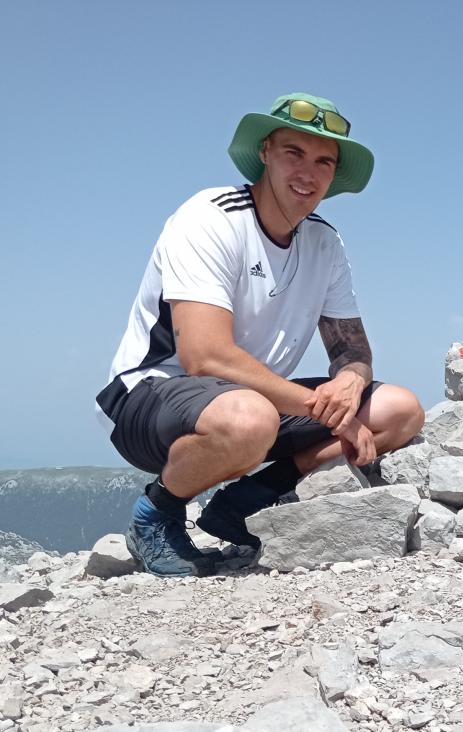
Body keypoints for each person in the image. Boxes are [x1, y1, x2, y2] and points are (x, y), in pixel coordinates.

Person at [95, 93, 425, 577]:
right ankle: (156, 515)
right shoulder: (210, 217)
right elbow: (205, 357)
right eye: (294, 153)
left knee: (399, 410)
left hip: (256, 403)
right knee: (250, 419)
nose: (308, 173)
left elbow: (351, 347)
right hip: (149, 394)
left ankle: (245, 503)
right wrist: (328, 413)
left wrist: (351, 382)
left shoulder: (324, 242)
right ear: (265, 152)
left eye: (324, 161)